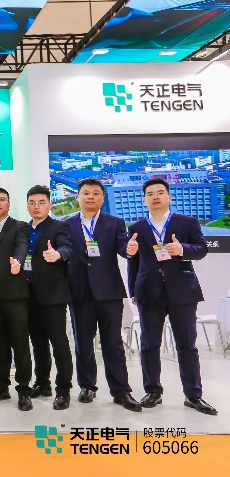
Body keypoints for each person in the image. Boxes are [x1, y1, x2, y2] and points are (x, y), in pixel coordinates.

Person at [127, 178, 217, 415]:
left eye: (160, 192)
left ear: (169, 196)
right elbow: (133, 262)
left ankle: (193, 395)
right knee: (149, 344)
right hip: (148, 292)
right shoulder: (136, 228)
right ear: (144, 199)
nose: (155, 197)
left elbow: (202, 249)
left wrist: (182, 249)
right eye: (150, 194)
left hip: (182, 291)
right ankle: (153, 391)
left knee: (187, 345)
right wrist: (133, 291)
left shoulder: (187, 222)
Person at [64, 179, 142, 412]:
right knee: (83, 343)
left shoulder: (114, 223)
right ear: (78, 197)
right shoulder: (66, 224)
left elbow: (122, 248)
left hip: (109, 292)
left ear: (102, 197)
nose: (90, 197)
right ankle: (87, 386)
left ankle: (121, 391)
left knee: (113, 343)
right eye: (86, 193)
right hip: (79, 291)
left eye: (96, 193)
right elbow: (64, 251)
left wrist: (130, 250)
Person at [0, 187, 33, 411]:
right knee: (0, 342)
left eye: (2, 199)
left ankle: (24, 390)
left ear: (9, 204)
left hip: (14, 293)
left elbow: (22, 246)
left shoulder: (19, 226)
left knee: (20, 342)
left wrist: (18, 261)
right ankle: (1, 387)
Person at [24, 185, 73, 410]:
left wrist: (58, 255)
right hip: (28, 294)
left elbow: (67, 248)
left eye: (41, 202)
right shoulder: (23, 229)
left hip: (52, 295)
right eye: (32, 203)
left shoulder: (59, 227)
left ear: (49, 205)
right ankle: (42, 384)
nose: (36, 207)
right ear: (27, 205)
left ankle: (63, 390)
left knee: (59, 343)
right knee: (38, 343)